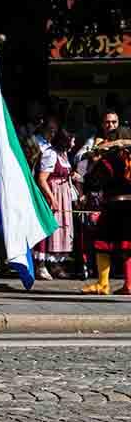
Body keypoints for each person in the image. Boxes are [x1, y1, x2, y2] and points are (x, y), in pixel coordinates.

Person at [81, 123, 131, 295]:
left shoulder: (110, 160)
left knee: (102, 244)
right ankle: (129, 284)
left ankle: (103, 284)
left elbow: (92, 183)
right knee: (128, 245)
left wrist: (94, 161)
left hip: (115, 207)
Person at [35, 129, 75, 279]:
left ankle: (55, 264)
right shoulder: (50, 154)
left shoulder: (63, 154)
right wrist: (52, 198)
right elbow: (42, 178)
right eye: (71, 139)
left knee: (61, 230)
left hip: (63, 193)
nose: (74, 143)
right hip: (53, 192)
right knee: (50, 228)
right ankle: (41, 265)